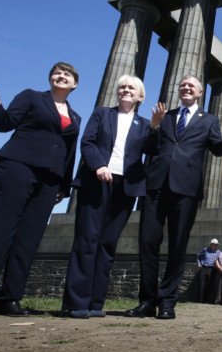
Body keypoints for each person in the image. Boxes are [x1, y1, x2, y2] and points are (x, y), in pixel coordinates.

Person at [0, 62, 82, 319]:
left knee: (27, 240)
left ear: (74, 84)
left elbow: (70, 154)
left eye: (67, 74)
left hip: (48, 180)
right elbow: (6, 123)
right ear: (50, 78)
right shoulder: (31, 97)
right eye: (57, 73)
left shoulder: (75, 117)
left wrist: (64, 186)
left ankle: (9, 298)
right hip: (17, 168)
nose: (61, 76)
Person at [124, 75, 222, 320]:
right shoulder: (165, 116)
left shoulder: (209, 119)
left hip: (186, 189)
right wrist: (155, 126)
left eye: (191, 85)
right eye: (182, 85)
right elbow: (148, 148)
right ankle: (147, 301)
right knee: (148, 243)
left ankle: (167, 302)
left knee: (178, 246)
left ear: (200, 92)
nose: (186, 88)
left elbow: (216, 148)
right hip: (155, 186)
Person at [63, 74, 162, 319]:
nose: (125, 90)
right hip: (96, 181)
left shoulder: (143, 123)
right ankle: (76, 303)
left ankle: (95, 303)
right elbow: (87, 142)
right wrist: (98, 165)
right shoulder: (101, 113)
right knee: (87, 240)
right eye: (122, 87)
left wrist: (156, 127)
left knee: (108, 243)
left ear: (141, 96)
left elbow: (152, 150)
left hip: (125, 187)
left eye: (131, 88)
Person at [195, 239, 220, 304]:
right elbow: (198, 256)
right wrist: (199, 264)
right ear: (211, 244)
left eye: (216, 244)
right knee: (202, 284)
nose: (214, 245)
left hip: (211, 269)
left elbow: (218, 260)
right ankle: (200, 300)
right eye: (213, 244)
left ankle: (207, 300)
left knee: (209, 285)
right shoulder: (205, 250)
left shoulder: (218, 252)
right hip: (203, 268)